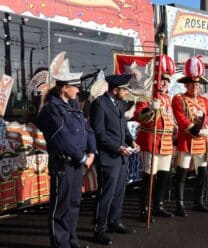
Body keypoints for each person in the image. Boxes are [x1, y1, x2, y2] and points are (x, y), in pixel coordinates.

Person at [36, 56, 95, 248]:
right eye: (75, 86)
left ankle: (71, 240)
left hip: (76, 164)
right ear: (64, 88)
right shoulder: (51, 109)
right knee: (60, 209)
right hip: (63, 164)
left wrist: (92, 151)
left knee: (74, 206)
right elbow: (62, 139)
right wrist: (82, 156)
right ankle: (60, 244)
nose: (78, 90)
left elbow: (87, 130)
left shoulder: (72, 106)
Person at [90, 74, 140, 245]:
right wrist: (118, 147)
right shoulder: (99, 104)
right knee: (106, 194)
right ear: (116, 89)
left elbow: (123, 128)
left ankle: (114, 221)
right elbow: (99, 133)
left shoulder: (119, 103)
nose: (127, 92)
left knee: (119, 192)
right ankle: (99, 229)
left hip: (121, 158)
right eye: (125, 89)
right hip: (108, 157)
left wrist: (131, 140)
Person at [171, 56, 208, 217]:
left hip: (202, 143)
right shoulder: (178, 99)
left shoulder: (204, 100)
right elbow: (180, 117)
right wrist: (194, 129)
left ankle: (199, 202)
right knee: (182, 174)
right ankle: (179, 204)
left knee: (203, 173)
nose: (195, 87)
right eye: (192, 84)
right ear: (186, 85)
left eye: (197, 84)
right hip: (187, 141)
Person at [134, 59, 175, 221]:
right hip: (151, 140)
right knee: (149, 178)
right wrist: (151, 108)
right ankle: (145, 209)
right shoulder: (146, 95)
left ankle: (158, 205)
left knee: (164, 176)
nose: (164, 83)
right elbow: (139, 116)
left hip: (165, 143)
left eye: (166, 80)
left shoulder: (167, 98)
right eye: (161, 79)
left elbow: (169, 119)